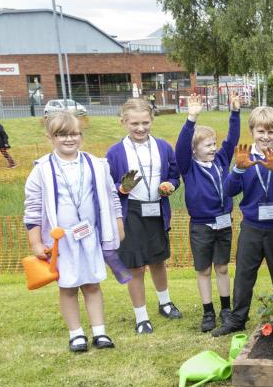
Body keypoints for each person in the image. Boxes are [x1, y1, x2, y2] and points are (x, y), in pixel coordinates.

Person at [24, 112, 124, 352]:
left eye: (74, 134)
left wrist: (118, 223)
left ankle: (99, 332)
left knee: (92, 284)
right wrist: (36, 242)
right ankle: (76, 334)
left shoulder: (97, 164)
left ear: (81, 135)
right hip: (61, 241)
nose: (69, 139)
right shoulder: (42, 169)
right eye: (62, 135)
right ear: (50, 137)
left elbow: (112, 197)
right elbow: (33, 208)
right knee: (67, 287)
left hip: (90, 237)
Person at [106, 98, 182, 335]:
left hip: (156, 209)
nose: (140, 128)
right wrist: (122, 188)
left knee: (157, 261)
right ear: (123, 122)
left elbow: (174, 175)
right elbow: (108, 184)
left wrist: (170, 185)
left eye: (145, 122)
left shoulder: (163, 147)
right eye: (134, 123)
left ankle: (165, 303)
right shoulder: (116, 152)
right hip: (132, 213)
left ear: (152, 121)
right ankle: (141, 316)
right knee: (136, 267)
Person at [212, 107, 273, 336]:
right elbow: (228, 190)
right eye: (261, 131)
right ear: (252, 130)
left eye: (271, 131)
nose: (266, 136)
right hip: (252, 226)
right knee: (244, 274)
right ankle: (237, 318)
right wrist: (237, 169)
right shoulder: (245, 155)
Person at [175, 93, 241, 332]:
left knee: (222, 267)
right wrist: (191, 118)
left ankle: (225, 308)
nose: (214, 148)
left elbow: (232, 140)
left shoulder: (222, 160)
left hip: (224, 222)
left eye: (214, 144)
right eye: (208, 145)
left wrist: (235, 113)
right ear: (194, 150)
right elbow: (181, 146)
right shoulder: (188, 166)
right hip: (201, 226)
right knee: (203, 270)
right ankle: (208, 312)